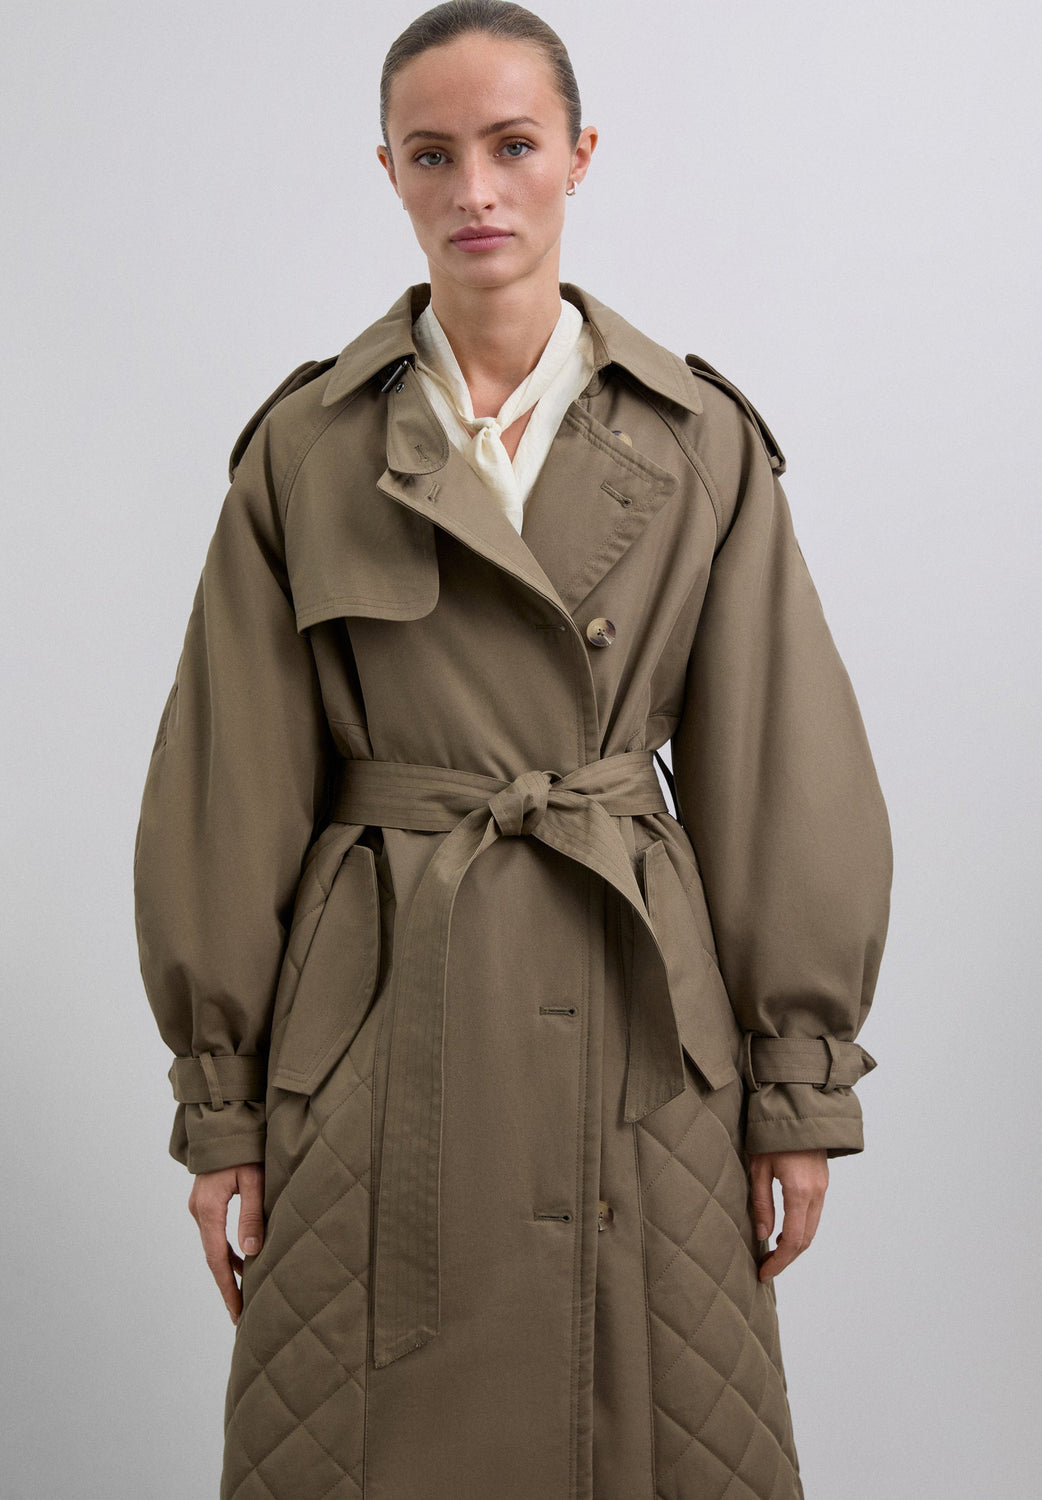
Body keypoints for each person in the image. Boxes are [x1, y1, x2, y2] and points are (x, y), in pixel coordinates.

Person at [133, 3, 892, 1497]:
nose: (474, 189)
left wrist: (796, 1086)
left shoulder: (696, 441)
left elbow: (780, 774)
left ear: (578, 157)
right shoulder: (308, 448)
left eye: (513, 145)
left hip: (638, 1025)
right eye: (432, 154)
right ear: (389, 171)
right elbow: (225, 791)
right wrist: (221, 1106)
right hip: (372, 1015)